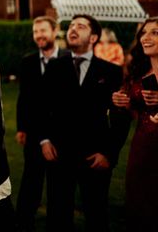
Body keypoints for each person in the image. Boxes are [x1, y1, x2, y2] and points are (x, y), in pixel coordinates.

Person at [39, 14, 129, 231]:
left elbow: (120, 117)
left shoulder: (111, 71)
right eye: (71, 26)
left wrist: (109, 153)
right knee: (58, 215)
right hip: (59, 153)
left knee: (96, 214)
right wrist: (44, 140)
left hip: (95, 155)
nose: (73, 29)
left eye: (81, 26)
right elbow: (41, 107)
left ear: (94, 37)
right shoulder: (54, 67)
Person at [15, 16, 70, 231]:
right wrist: (22, 127)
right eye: (35, 31)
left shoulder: (69, 59)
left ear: (55, 31)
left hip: (62, 135)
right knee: (31, 182)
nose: (39, 35)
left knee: (60, 186)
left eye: (43, 31)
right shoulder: (28, 62)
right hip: (34, 132)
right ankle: (23, 222)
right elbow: (24, 98)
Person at [111, 17, 158, 230]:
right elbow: (130, 109)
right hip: (143, 147)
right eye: (143, 33)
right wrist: (121, 101)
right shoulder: (138, 71)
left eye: (155, 33)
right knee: (140, 201)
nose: (146, 38)